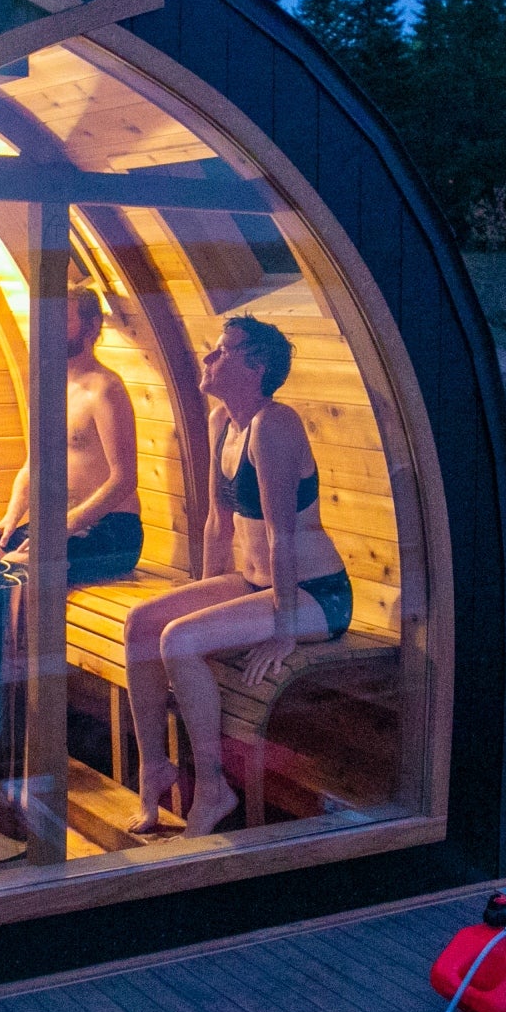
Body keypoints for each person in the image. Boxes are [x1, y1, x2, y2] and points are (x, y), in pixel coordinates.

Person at [119, 315, 353, 836]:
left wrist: (286, 628)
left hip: (316, 594)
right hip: (256, 584)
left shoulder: (276, 424)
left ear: (256, 365)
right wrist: (202, 599)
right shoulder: (221, 421)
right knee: (141, 624)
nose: (208, 359)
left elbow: (281, 536)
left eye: (220, 352)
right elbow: (217, 522)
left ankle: (213, 788)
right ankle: (155, 766)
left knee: (179, 641)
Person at [0, 288, 144, 586]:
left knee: (17, 571)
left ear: (91, 327)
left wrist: (66, 524)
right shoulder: (49, 389)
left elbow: (124, 478)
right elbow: (32, 466)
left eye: (62, 320)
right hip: (60, 526)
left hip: (111, 531)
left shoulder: (104, 390)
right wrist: (11, 519)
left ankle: (31, 634)